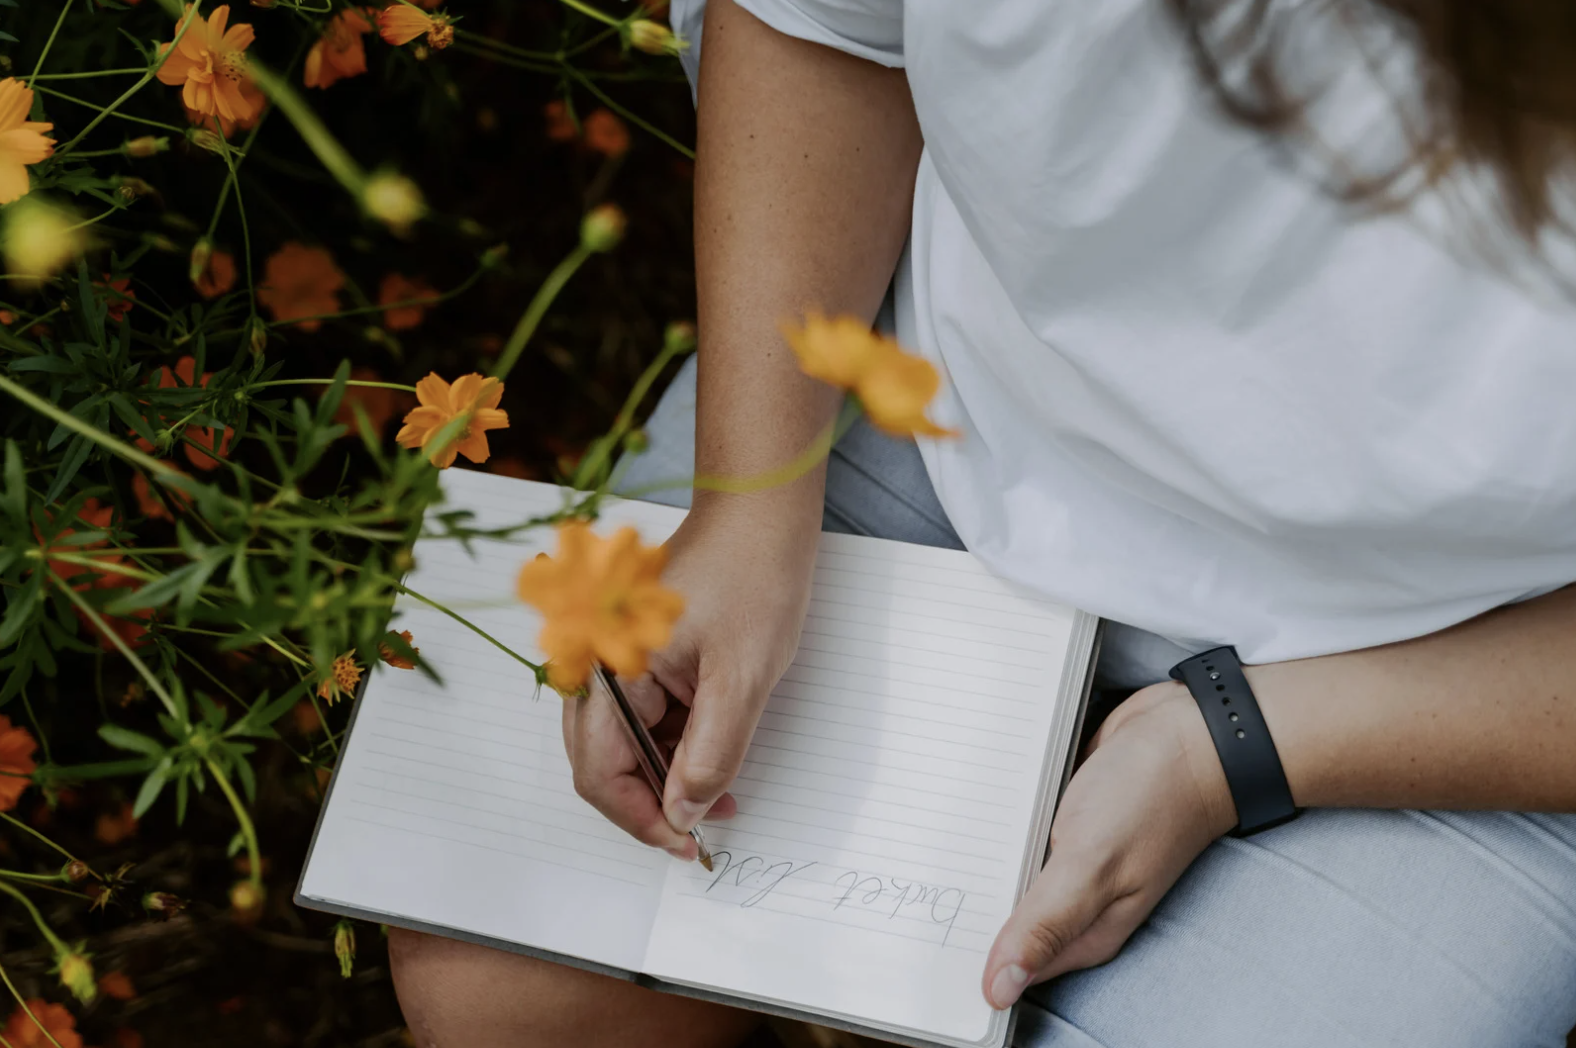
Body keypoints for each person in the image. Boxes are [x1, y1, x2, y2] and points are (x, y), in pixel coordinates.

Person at [387, 1, 1576, 1045]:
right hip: (932, 411)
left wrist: (1234, 744)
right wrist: (750, 501)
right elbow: (826, 28)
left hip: (1468, 676)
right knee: (507, 985)